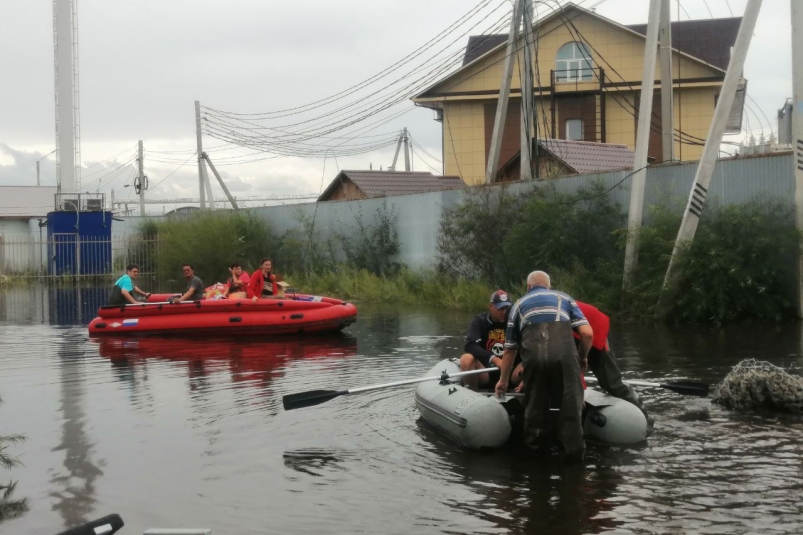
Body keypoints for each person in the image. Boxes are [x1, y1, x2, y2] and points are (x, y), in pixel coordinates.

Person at [495, 270, 593, 462]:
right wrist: (582, 357)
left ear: (528, 287)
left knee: (535, 407)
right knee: (571, 406)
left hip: (534, 360)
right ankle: (573, 463)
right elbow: (587, 334)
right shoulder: (565, 299)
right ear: (549, 285)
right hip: (566, 358)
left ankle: (536, 459)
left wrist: (503, 381)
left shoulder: (517, 306)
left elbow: (509, 350)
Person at [575, 301, 653, 427]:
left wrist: (580, 391)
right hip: (579, 332)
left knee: (611, 382)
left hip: (595, 330)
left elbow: (574, 367)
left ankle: (646, 420)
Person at [459, 290, 524, 391]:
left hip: (512, 371)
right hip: (487, 370)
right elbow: (470, 345)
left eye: (506, 308)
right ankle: (471, 394)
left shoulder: (517, 321)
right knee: (466, 359)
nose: (504, 312)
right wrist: (495, 360)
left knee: (532, 361)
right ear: (490, 307)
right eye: (500, 308)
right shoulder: (480, 320)